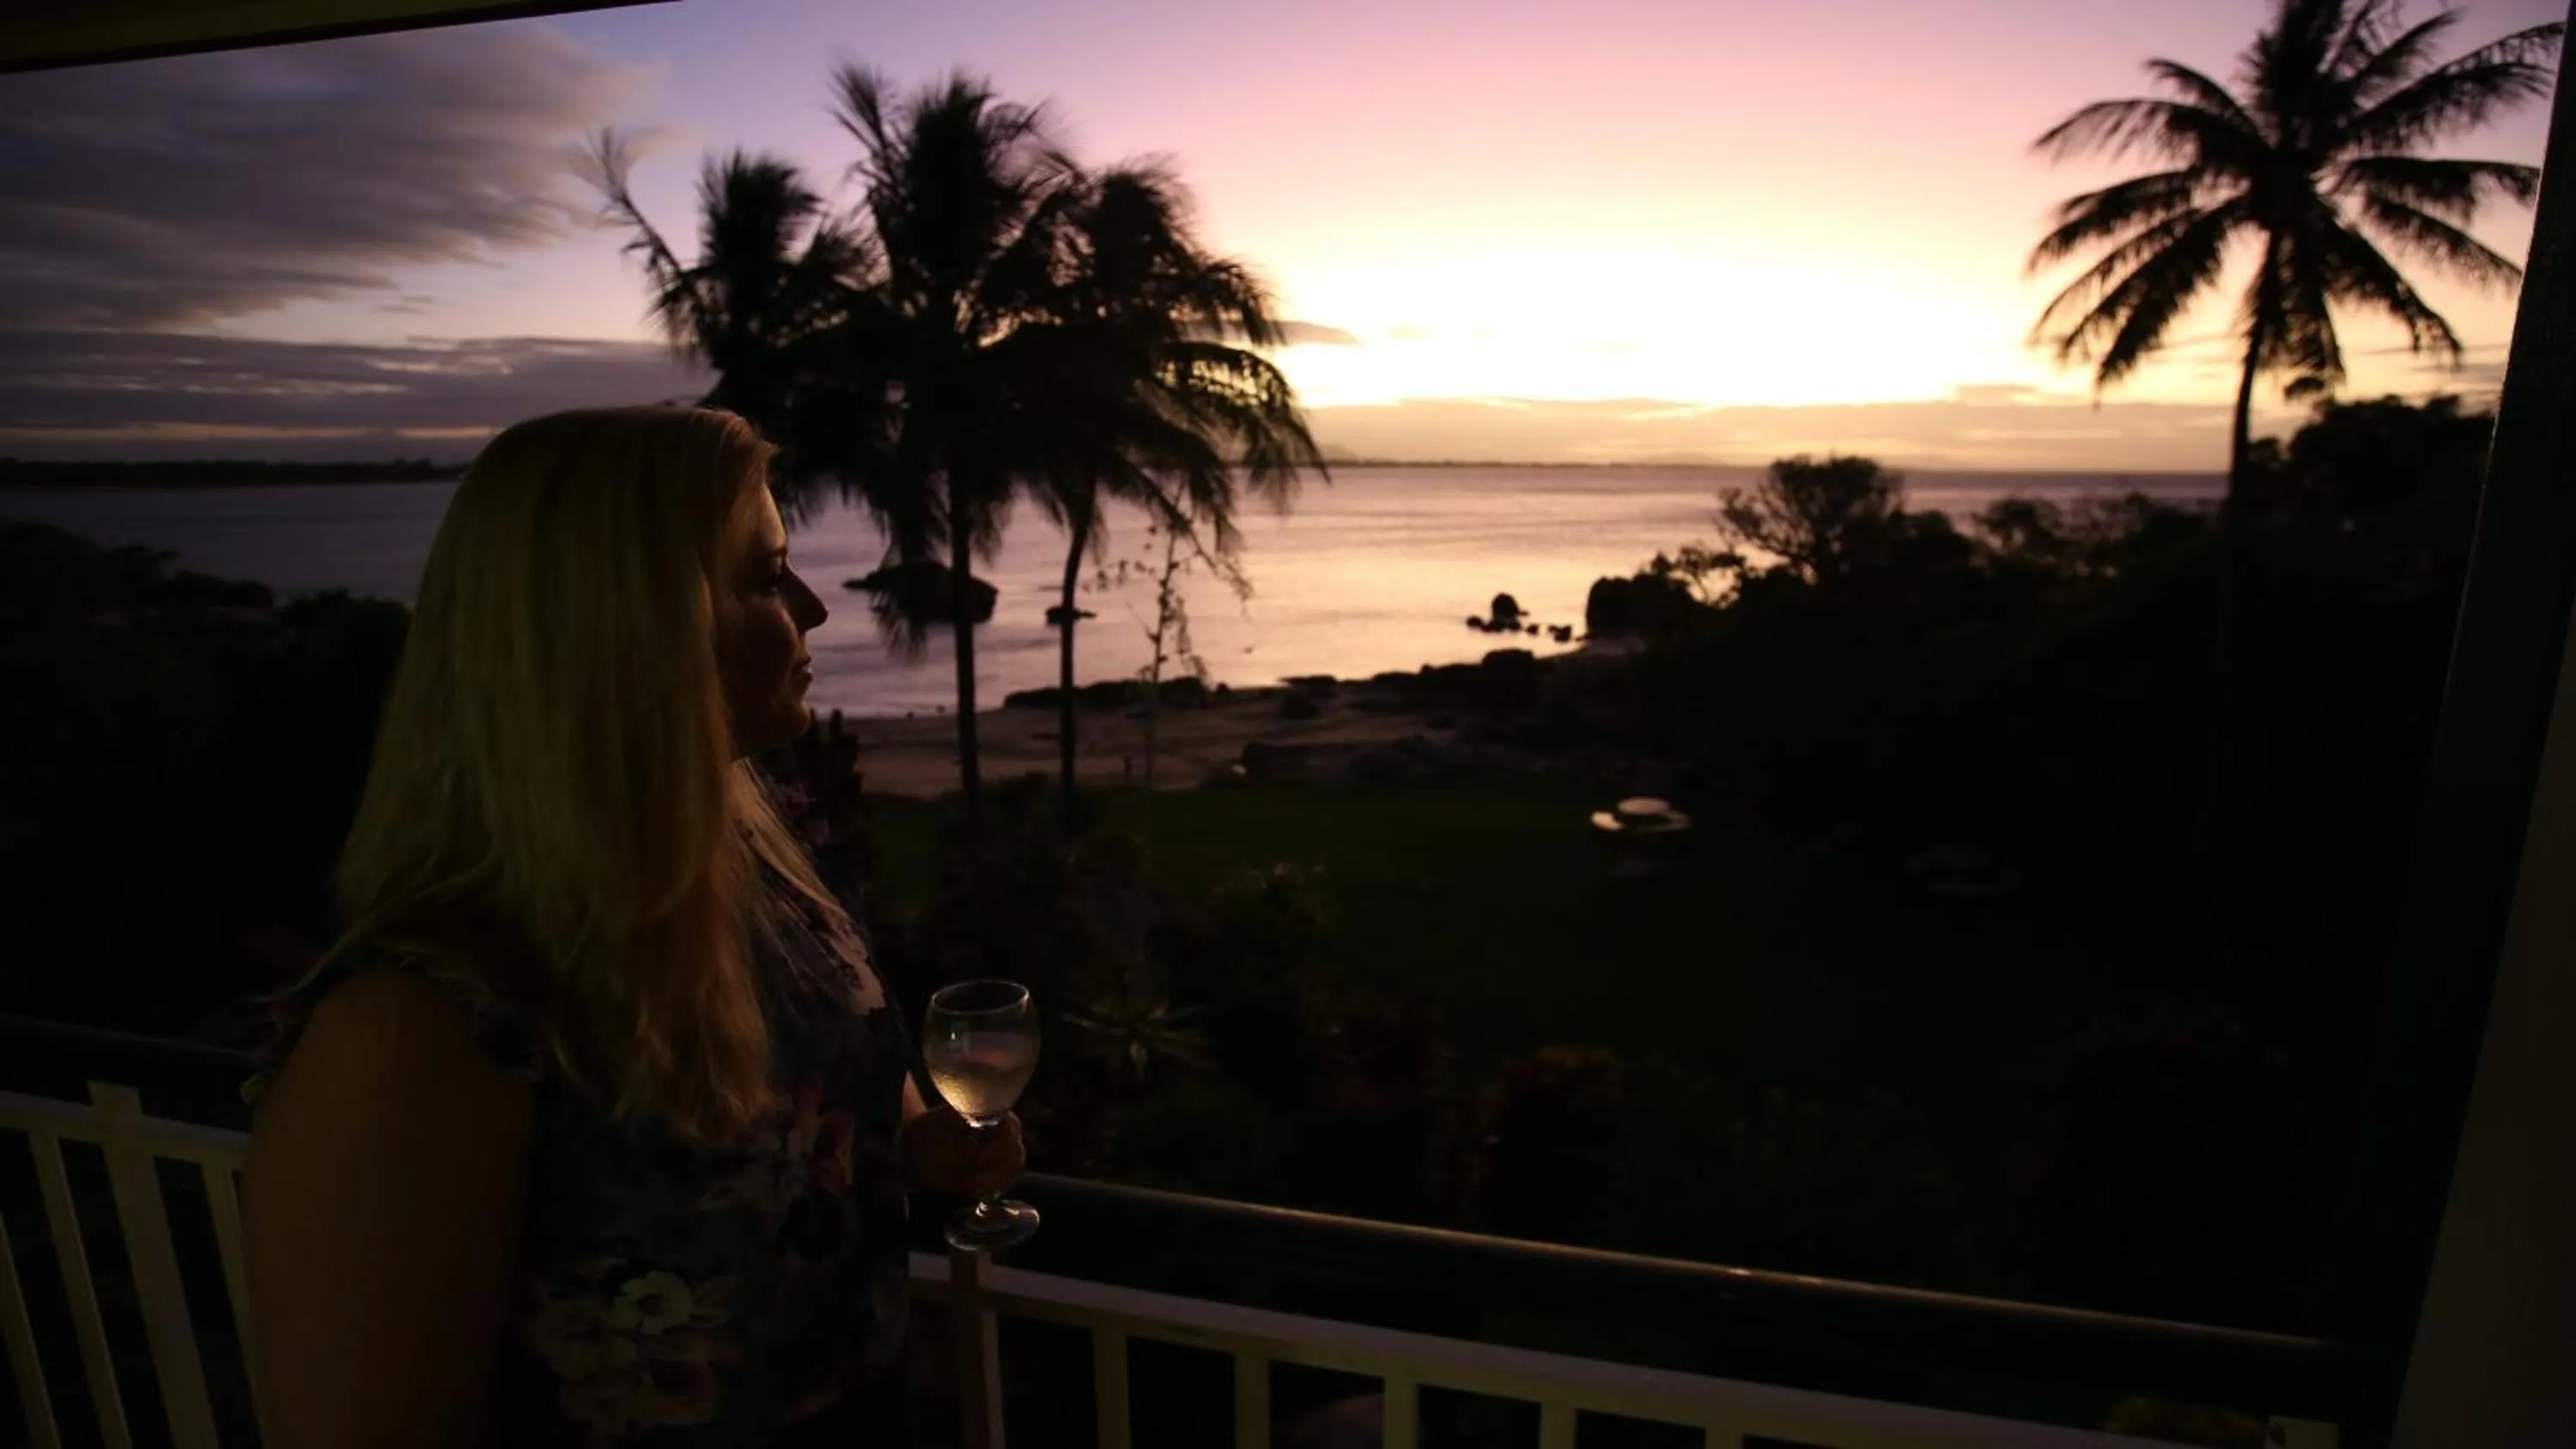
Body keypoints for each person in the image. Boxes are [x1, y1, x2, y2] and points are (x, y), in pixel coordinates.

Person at [240, 407, 1022, 1447]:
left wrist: (927, 1143)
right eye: (762, 576)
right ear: (635, 628)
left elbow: (838, 1088)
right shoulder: (417, 1031)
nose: (814, 609)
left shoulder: (766, 868)